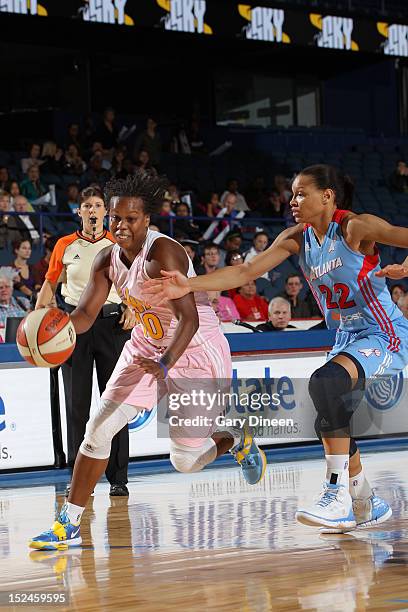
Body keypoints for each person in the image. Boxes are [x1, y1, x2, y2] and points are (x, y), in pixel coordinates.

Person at [144, 163, 408, 533]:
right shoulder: (297, 238)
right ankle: (365, 497)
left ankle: (336, 495)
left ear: (327, 196)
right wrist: (187, 284)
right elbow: (244, 273)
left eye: (302, 193)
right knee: (328, 412)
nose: (293, 200)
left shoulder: (354, 227)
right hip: (348, 337)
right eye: (292, 193)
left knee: (325, 384)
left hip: (384, 333)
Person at [29, 171, 266, 551]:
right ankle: (68, 523)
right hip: (146, 344)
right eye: (115, 218)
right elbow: (86, 313)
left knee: (186, 461)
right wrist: (55, 335)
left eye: (130, 219)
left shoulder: (163, 253)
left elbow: (188, 319)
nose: (120, 226)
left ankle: (234, 438)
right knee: (99, 428)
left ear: (147, 220)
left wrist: (168, 363)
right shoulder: (106, 258)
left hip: (194, 351)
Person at [35, 185, 135, 499]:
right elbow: (50, 284)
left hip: (112, 324)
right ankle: (80, 480)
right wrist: (39, 315)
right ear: (79, 212)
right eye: (87, 206)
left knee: (115, 403)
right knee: (77, 405)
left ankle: (118, 477)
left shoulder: (119, 243)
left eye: (97, 206)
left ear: (106, 212)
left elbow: (134, 280)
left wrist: (132, 307)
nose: (92, 211)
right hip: (72, 326)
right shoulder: (64, 244)